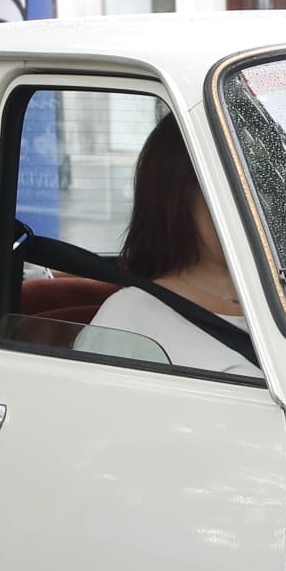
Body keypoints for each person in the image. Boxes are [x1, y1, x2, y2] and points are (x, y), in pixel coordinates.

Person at [76, 118, 256, 377]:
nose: (258, 203)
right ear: (176, 195)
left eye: (265, 184)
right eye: (231, 184)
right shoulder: (127, 318)